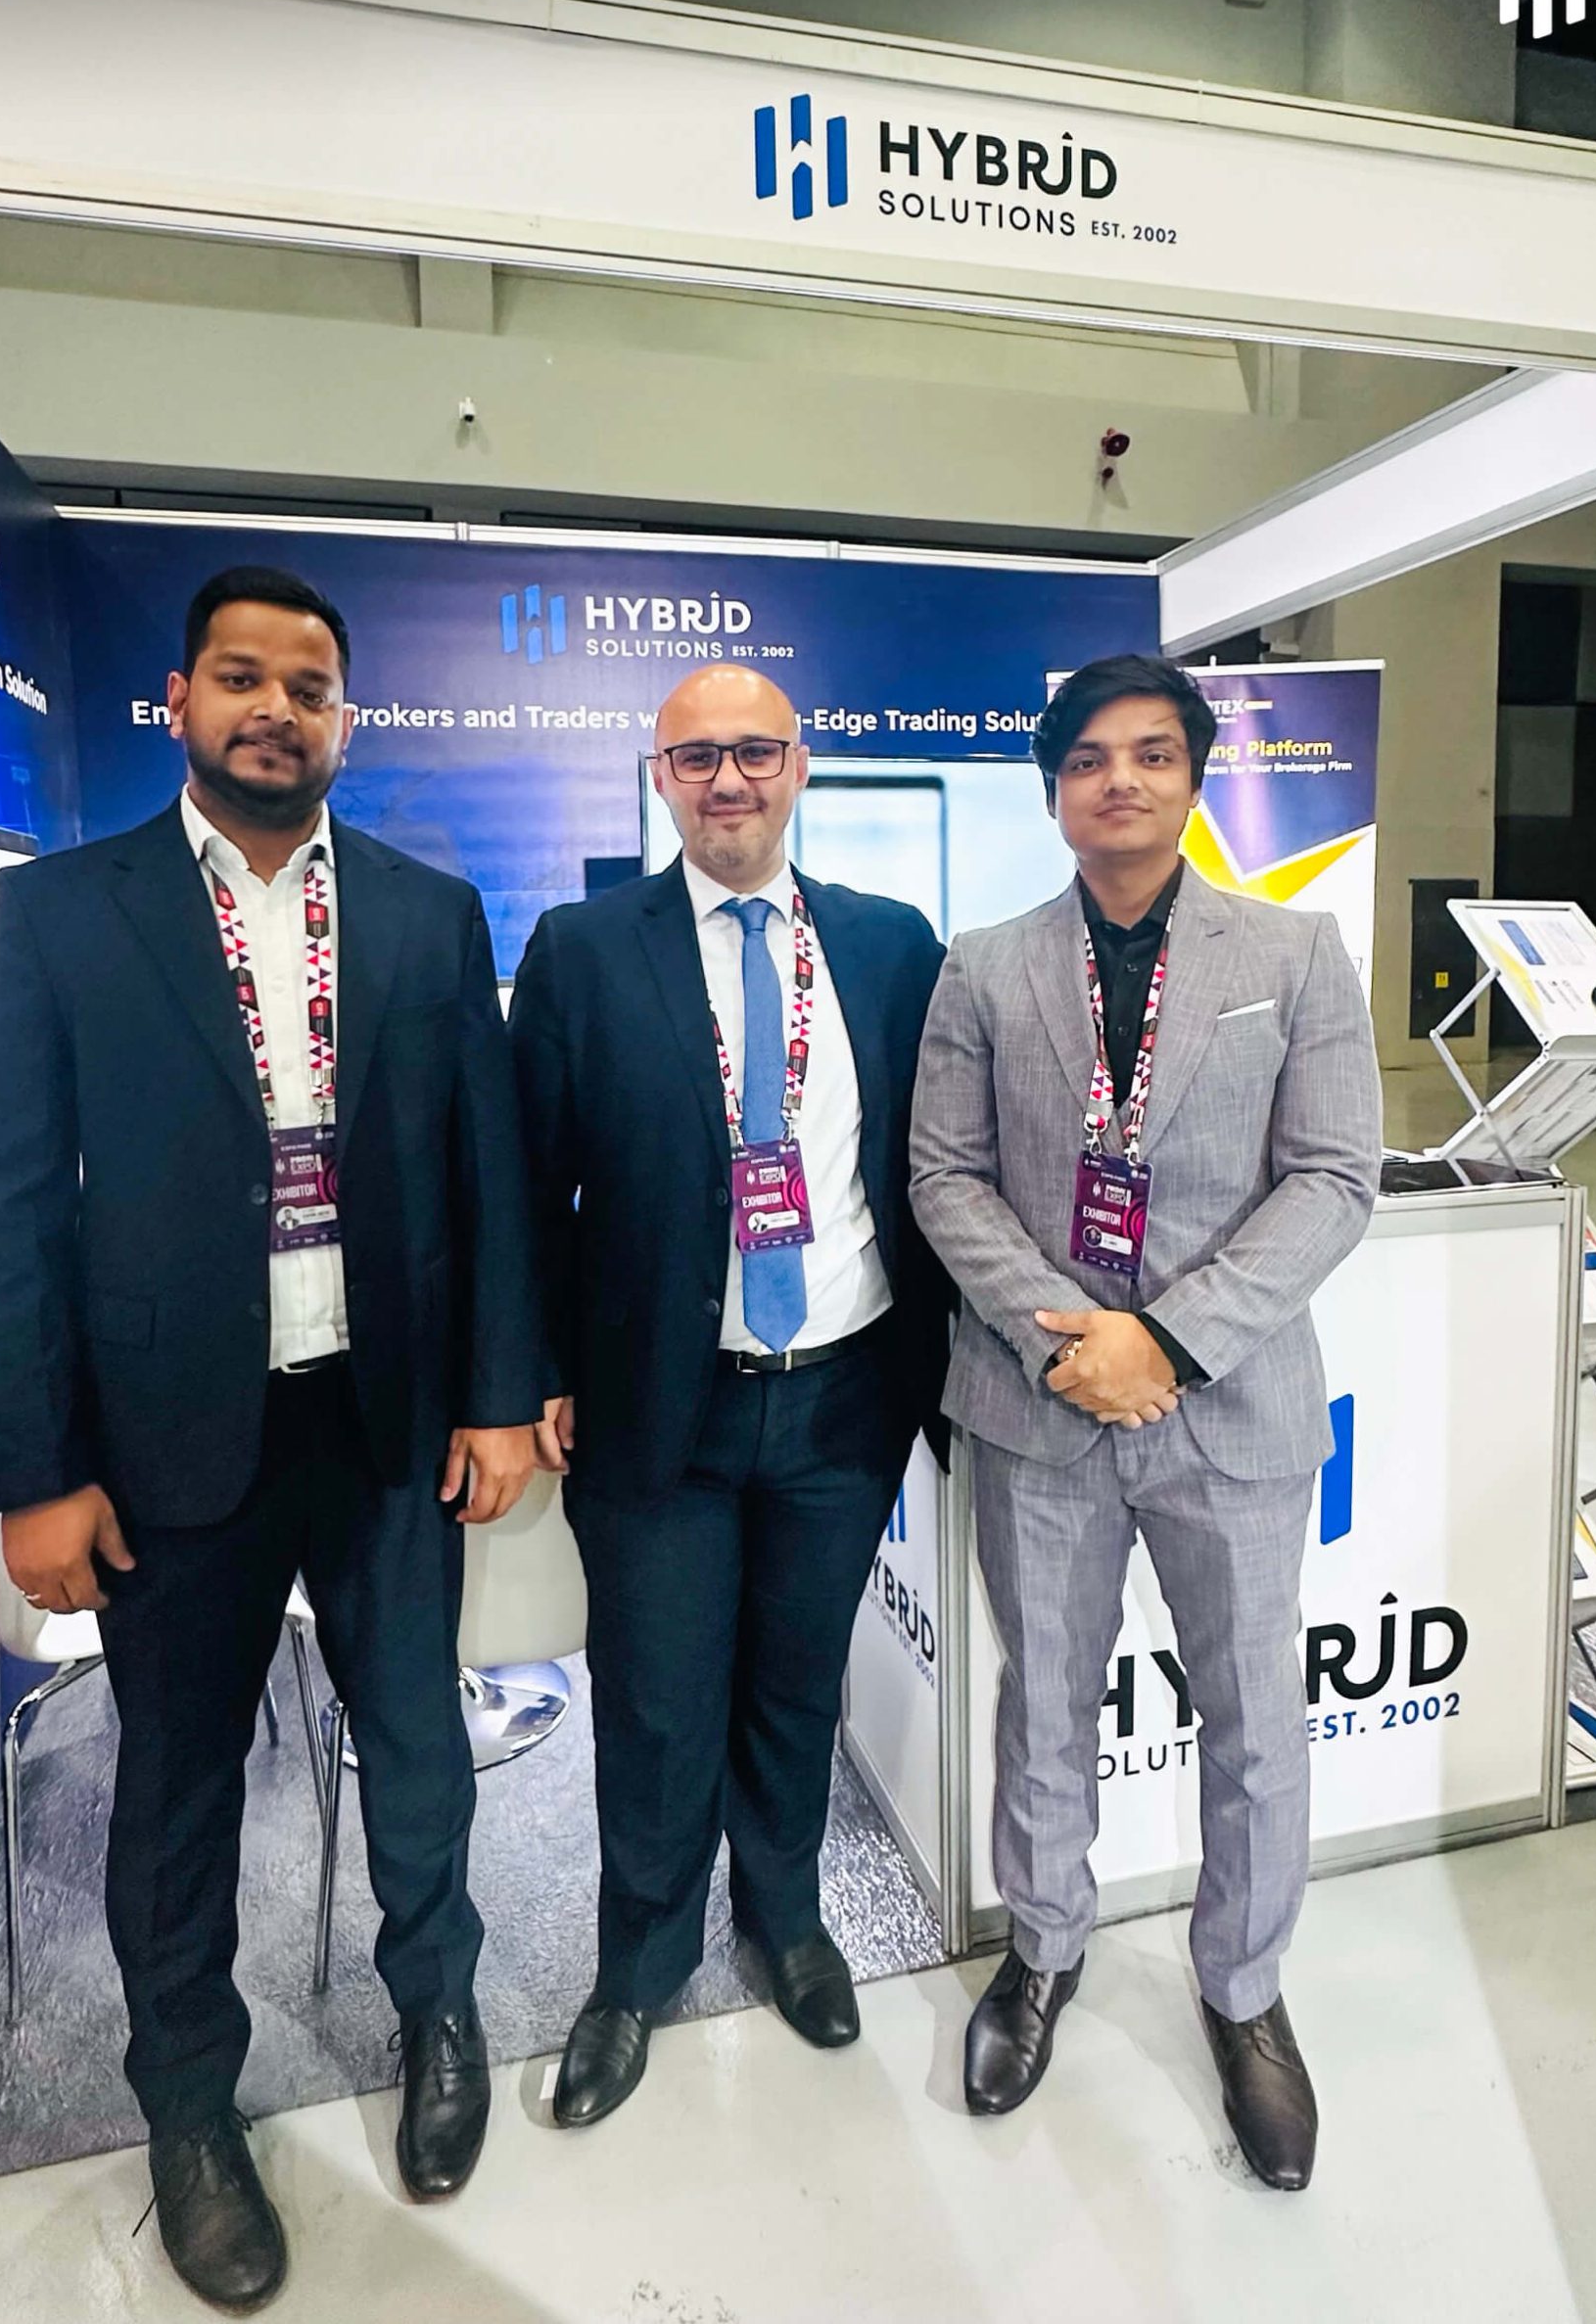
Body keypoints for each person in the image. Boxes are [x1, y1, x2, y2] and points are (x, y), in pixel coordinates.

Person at [0, 566, 545, 2314]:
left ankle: (437, 2011)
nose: (275, 708)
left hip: (384, 1420)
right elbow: (5, 1209)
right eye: (241, 677)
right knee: (179, 1786)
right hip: (166, 1440)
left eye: (308, 685)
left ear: (345, 718)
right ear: (181, 701)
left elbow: (490, 1178)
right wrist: (35, 1472)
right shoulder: (63, 915)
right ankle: (193, 2112)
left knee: (417, 1743)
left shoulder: (431, 915)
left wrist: (499, 1392)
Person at [908, 652, 1379, 2191]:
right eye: (1091, 759)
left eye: (1154, 755)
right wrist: (1074, 1343)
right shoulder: (985, 966)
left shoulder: (1293, 952)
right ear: (1055, 789)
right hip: (1041, 1407)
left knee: (1253, 1720)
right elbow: (944, 1177)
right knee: (1045, 1702)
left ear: (1192, 778)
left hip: (1228, 1407)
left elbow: (1335, 1179)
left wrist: (1164, 1339)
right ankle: (1043, 1954)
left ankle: (1244, 1994)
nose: (1121, 781)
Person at [510, 664, 951, 2127]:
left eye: (754, 752)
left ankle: (785, 1919)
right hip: (660, 1405)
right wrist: (539, 1368)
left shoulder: (889, 946)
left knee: (796, 1679)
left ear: (799, 765)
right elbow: (527, 1186)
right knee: (654, 1704)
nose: (728, 782)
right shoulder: (584, 949)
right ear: (661, 779)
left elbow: (934, 1162)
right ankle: (636, 1969)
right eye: (695, 758)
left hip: (843, 1396)